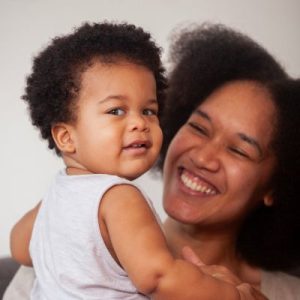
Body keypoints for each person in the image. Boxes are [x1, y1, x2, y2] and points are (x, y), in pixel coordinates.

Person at [7, 22, 260, 300]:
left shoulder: (56, 196)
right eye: (116, 110)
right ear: (66, 137)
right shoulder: (119, 198)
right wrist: (231, 294)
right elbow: (159, 278)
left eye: (149, 111)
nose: (140, 123)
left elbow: (20, 247)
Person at [157, 24, 300, 299]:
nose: (202, 157)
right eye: (198, 128)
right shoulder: (84, 261)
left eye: (239, 150)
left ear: (274, 186)